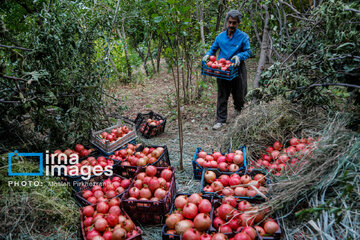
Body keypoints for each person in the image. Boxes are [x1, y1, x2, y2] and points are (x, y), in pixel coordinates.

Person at [203, 9, 251, 130]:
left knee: (239, 94)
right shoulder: (220, 37)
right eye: (230, 22)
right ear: (226, 22)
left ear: (238, 23)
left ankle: (239, 114)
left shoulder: (243, 37)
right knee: (222, 95)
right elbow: (213, 49)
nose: (231, 25)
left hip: (237, 69)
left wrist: (239, 56)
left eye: (234, 23)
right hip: (223, 70)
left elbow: (248, 51)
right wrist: (208, 55)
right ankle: (221, 120)